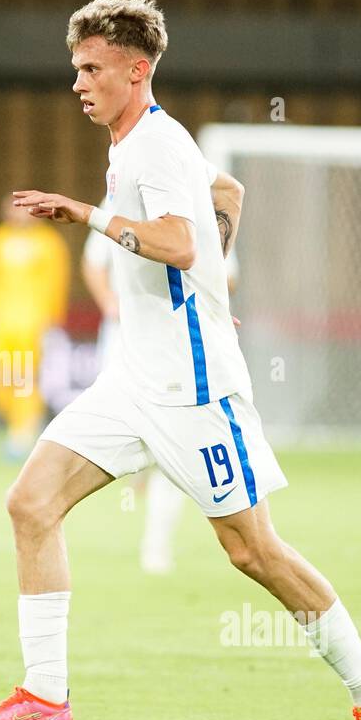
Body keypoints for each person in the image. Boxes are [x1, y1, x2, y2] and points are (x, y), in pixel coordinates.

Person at [0, 0, 361, 720]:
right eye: (76, 68)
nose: (79, 82)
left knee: (253, 552)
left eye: (92, 68)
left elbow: (176, 240)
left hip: (195, 394)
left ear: (138, 71)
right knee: (31, 502)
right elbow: (225, 197)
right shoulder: (138, 143)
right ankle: (44, 695)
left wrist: (88, 215)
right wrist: (211, 293)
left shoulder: (155, 146)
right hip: (135, 380)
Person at [83, 198, 241, 574]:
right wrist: (107, 299)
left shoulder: (193, 208)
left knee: (171, 448)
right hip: (123, 344)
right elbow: (93, 261)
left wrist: (205, 299)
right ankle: (136, 471)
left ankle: (155, 543)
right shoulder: (118, 199)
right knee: (119, 437)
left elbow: (228, 272)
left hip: (176, 348)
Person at [0, 196, 71, 459]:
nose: (19, 214)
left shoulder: (50, 243)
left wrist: (52, 322)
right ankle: (25, 421)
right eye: (14, 208)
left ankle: (22, 434)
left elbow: (57, 283)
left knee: (25, 379)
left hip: (33, 322)